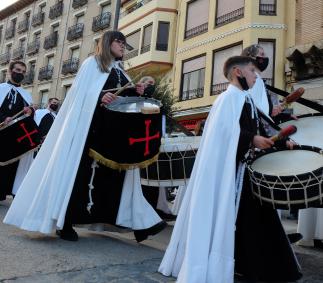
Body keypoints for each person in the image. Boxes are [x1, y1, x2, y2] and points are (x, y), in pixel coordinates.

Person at [3, 31, 166, 242]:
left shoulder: (120, 72)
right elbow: (80, 96)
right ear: (108, 43)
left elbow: (122, 98)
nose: (123, 46)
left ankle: (139, 223)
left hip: (112, 136)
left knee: (117, 180)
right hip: (89, 134)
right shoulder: (93, 64)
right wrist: (99, 96)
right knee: (78, 178)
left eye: (125, 44)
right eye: (119, 42)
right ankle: (66, 221)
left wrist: (138, 91)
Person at [158, 56, 302, 283]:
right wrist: (251, 139)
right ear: (238, 71)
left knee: (254, 221)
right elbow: (224, 135)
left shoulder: (245, 100)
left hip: (243, 172)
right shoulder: (227, 99)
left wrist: (283, 142)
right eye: (252, 71)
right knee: (251, 220)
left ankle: (258, 269)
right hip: (231, 174)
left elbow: (262, 128)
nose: (257, 76)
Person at [242, 44, 302, 244]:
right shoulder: (252, 82)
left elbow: (266, 112)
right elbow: (258, 115)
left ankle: (274, 234)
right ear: (250, 58)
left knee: (262, 195)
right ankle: (269, 237)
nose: (264, 59)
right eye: (261, 55)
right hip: (254, 144)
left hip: (256, 142)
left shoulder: (258, 81)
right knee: (259, 195)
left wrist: (282, 111)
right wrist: (282, 139)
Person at [0, 61, 34, 201]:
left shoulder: (26, 95)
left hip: (15, 136)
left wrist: (29, 111)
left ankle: (3, 192)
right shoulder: (1, 89)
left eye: (23, 71)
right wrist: (3, 118)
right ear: (10, 71)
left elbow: (30, 117)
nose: (20, 73)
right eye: (18, 70)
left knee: (11, 164)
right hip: (1, 131)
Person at [12, 98, 60, 196]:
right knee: (27, 167)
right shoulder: (40, 112)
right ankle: (18, 192)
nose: (55, 105)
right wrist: (40, 137)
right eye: (54, 103)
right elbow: (35, 125)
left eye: (57, 104)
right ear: (49, 103)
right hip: (35, 144)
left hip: (46, 146)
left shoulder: (56, 116)